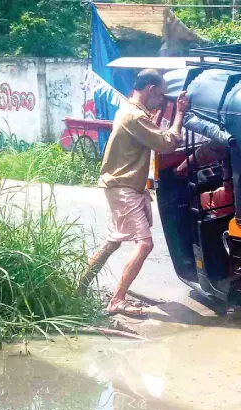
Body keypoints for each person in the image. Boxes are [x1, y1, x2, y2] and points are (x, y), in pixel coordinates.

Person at [78, 69, 189, 317]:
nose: (161, 100)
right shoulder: (135, 116)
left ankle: (79, 287)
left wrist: (160, 115)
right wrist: (179, 113)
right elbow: (166, 143)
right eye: (160, 95)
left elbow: (152, 133)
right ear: (151, 90)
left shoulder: (130, 111)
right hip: (124, 187)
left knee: (113, 241)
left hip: (122, 185)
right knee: (145, 244)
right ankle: (117, 300)